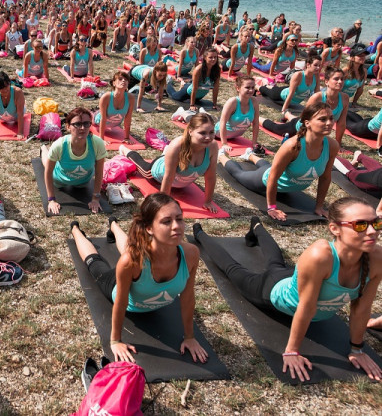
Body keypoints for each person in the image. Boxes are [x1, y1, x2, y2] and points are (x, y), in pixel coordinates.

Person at [193, 197, 382, 382]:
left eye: (377, 223)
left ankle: (257, 226)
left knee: (276, 264)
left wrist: (357, 350)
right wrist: (292, 351)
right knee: (234, 270)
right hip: (271, 292)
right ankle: (200, 234)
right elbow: (305, 307)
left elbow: (362, 308)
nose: (373, 231)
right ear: (335, 228)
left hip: (299, 280)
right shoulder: (321, 255)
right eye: (360, 225)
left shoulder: (377, 258)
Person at [70, 193, 209, 363]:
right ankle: (76, 231)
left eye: (179, 219)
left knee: (131, 251)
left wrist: (189, 337)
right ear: (149, 228)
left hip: (139, 267)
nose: (176, 226)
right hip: (116, 284)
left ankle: (113, 225)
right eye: (167, 221)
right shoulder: (132, 261)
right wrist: (115, 341)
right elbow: (120, 303)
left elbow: (187, 297)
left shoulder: (191, 254)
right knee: (96, 264)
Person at [219, 102, 339, 221]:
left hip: (286, 186)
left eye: (331, 118)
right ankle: (222, 156)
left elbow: (325, 177)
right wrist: (271, 207)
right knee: (239, 174)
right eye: (322, 119)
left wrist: (319, 207)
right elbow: (272, 176)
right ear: (307, 123)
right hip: (264, 183)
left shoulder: (332, 145)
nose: (329, 123)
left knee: (268, 166)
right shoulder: (293, 146)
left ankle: (250, 155)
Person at [123, 113, 219, 213]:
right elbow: (168, 177)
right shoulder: (177, 145)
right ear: (190, 131)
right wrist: (164, 204)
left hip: (180, 180)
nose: (208, 137)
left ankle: (167, 154)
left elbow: (210, 176)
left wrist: (208, 201)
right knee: (140, 164)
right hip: (155, 173)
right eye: (202, 133)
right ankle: (125, 150)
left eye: (211, 132)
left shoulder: (212, 146)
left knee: (171, 157)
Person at [40, 107, 106, 215]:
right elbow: (48, 172)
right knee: (46, 163)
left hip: (83, 183)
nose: (82, 128)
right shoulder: (60, 145)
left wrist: (95, 199)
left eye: (86, 123)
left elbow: (99, 172)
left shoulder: (97, 143)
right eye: (77, 124)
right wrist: (51, 199)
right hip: (59, 180)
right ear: (68, 127)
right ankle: (43, 149)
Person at [262, 67, 349, 146]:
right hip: (301, 128)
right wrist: (304, 138)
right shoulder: (317, 97)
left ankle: (287, 115)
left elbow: (341, 123)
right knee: (275, 128)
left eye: (342, 79)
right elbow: (304, 118)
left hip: (318, 133)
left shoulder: (345, 98)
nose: (340, 82)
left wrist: (338, 143)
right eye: (336, 79)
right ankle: (258, 118)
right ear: (326, 81)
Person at [215, 76, 261, 153]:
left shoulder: (254, 101)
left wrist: (254, 143)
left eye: (253, 87)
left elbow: (256, 123)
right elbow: (222, 122)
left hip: (234, 136)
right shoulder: (232, 102)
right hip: (217, 133)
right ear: (238, 88)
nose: (251, 90)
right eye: (247, 87)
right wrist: (224, 143)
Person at [0, 70, 26, 140]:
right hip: (0, 117)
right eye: (1, 88)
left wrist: (20, 132)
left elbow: (20, 114)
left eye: (6, 86)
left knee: (22, 111)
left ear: (9, 83)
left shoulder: (18, 92)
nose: (5, 90)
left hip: (16, 116)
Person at [94, 71, 133, 143]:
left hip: (115, 123)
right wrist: (101, 139)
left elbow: (128, 118)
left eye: (126, 79)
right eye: (120, 79)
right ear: (114, 83)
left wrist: (127, 138)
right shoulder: (106, 97)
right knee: (88, 117)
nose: (124, 81)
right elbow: (103, 118)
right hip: (98, 119)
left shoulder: (130, 97)